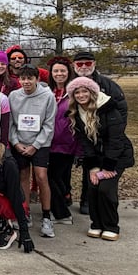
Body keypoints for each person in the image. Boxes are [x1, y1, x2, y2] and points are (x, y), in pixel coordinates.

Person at [67, 77, 134, 241]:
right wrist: (94, 167)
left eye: (84, 91)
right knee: (93, 187)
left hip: (116, 156)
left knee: (106, 189)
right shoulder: (77, 112)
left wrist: (109, 167)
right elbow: (85, 142)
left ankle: (111, 226)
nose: (81, 95)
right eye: (77, 92)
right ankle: (96, 223)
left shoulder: (108, 108)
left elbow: (116, 139)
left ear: (92, 92)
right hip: (96, 156)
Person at [9, 64, 57, 237]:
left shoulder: (47, 96)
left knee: (41, 176)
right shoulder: (13, 96)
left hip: (40, 144)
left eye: (30, 78)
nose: (26, 82)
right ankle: (25, 212)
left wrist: (35, 145)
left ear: (37, 79)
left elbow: (49, 124)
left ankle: (46, 216)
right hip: (20, 143)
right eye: (23, 78)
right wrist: (15, 143)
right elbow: (11, 123)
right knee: (23, 176)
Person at [47, 57, 78, 222]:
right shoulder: (47, 91)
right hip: (48, 141)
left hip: (67, 143)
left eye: (62, 71)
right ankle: (61, 206)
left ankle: (61, 214)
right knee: (55, 177)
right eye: (56, 71)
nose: (59, 74)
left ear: (68, 72)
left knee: (54, 176)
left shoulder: (74, 92)